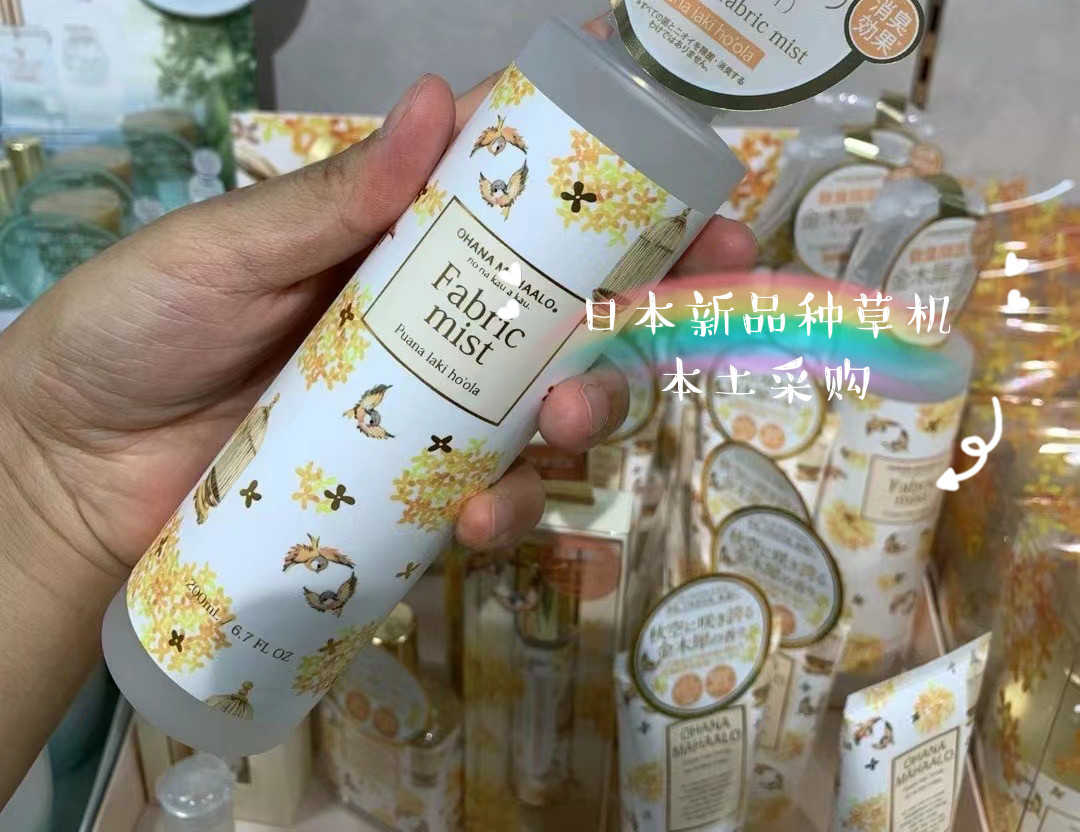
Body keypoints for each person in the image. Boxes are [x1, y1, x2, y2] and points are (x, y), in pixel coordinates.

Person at [0, 60, 755, 805]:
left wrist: (40, 478)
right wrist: (33, 461)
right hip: (187, 547)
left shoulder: (667, 159)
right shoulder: (551, 85)